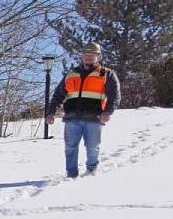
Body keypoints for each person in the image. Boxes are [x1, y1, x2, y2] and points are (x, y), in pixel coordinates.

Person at [45, 42, 121, 179]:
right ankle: (71, 174)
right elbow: (58, 95)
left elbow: (115, 95)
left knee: (92, 147)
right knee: (70, 147)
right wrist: (51, 112)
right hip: (72, 117)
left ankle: (91, 171)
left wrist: (108, 112)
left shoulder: (106, 74)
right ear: (81, 57)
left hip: (94, 118)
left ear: (98, 56)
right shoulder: (71, 74)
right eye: (86, 55)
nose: (89, 57)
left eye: (92, 55)